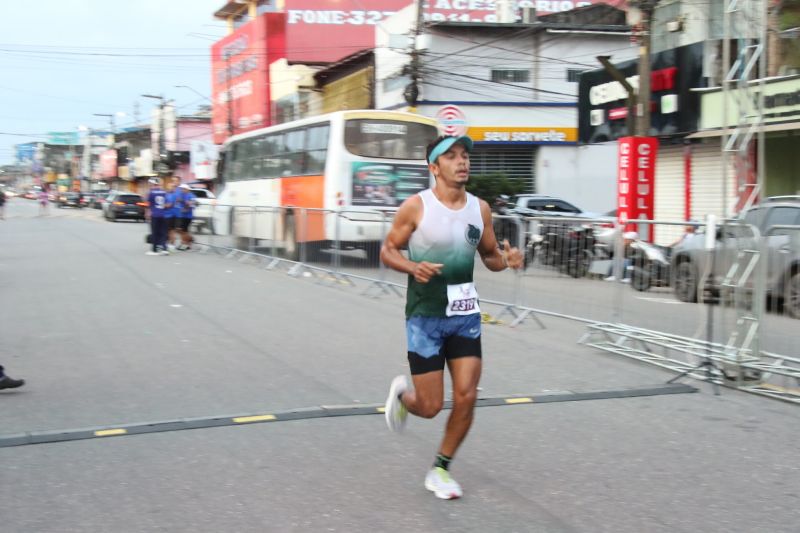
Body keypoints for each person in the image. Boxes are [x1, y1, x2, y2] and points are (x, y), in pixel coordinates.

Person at [381, 135, 524, 500]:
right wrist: (413, 267)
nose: (462, 162)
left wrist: (506, 261)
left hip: (464, 315)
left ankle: (440, 469)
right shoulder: (415, 207)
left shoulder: (481, 209)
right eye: (451, 156)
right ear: (434, 167)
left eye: (465, 155)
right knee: (429, 407)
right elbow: (388, 250)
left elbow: (490, 256)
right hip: (425, 317)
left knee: (467, 395)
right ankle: (403, 398)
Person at [146, 177, 169, 256]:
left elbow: (149, 205)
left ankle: (154, 250)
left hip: (155, 214)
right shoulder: (164, 192)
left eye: (150, 184)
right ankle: (164, 249)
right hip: (163, 214)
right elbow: (166, 204)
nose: (149, 186)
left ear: (153, 184)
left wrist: (148, 214)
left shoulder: (151, 193)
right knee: (163, 232)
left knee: (154, 232)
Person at [176, 183, 196, 250]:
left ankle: (186, 243)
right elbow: (178, 201)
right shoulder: (182, 194)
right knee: (181, 230)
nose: (182, 190)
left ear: (187, 189)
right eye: (181, 189)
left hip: (188, 216)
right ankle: (187, 242)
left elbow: (191, 205)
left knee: (184, 230)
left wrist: (185, 208)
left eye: (183, 189)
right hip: (182, 215)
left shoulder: (191, 195)